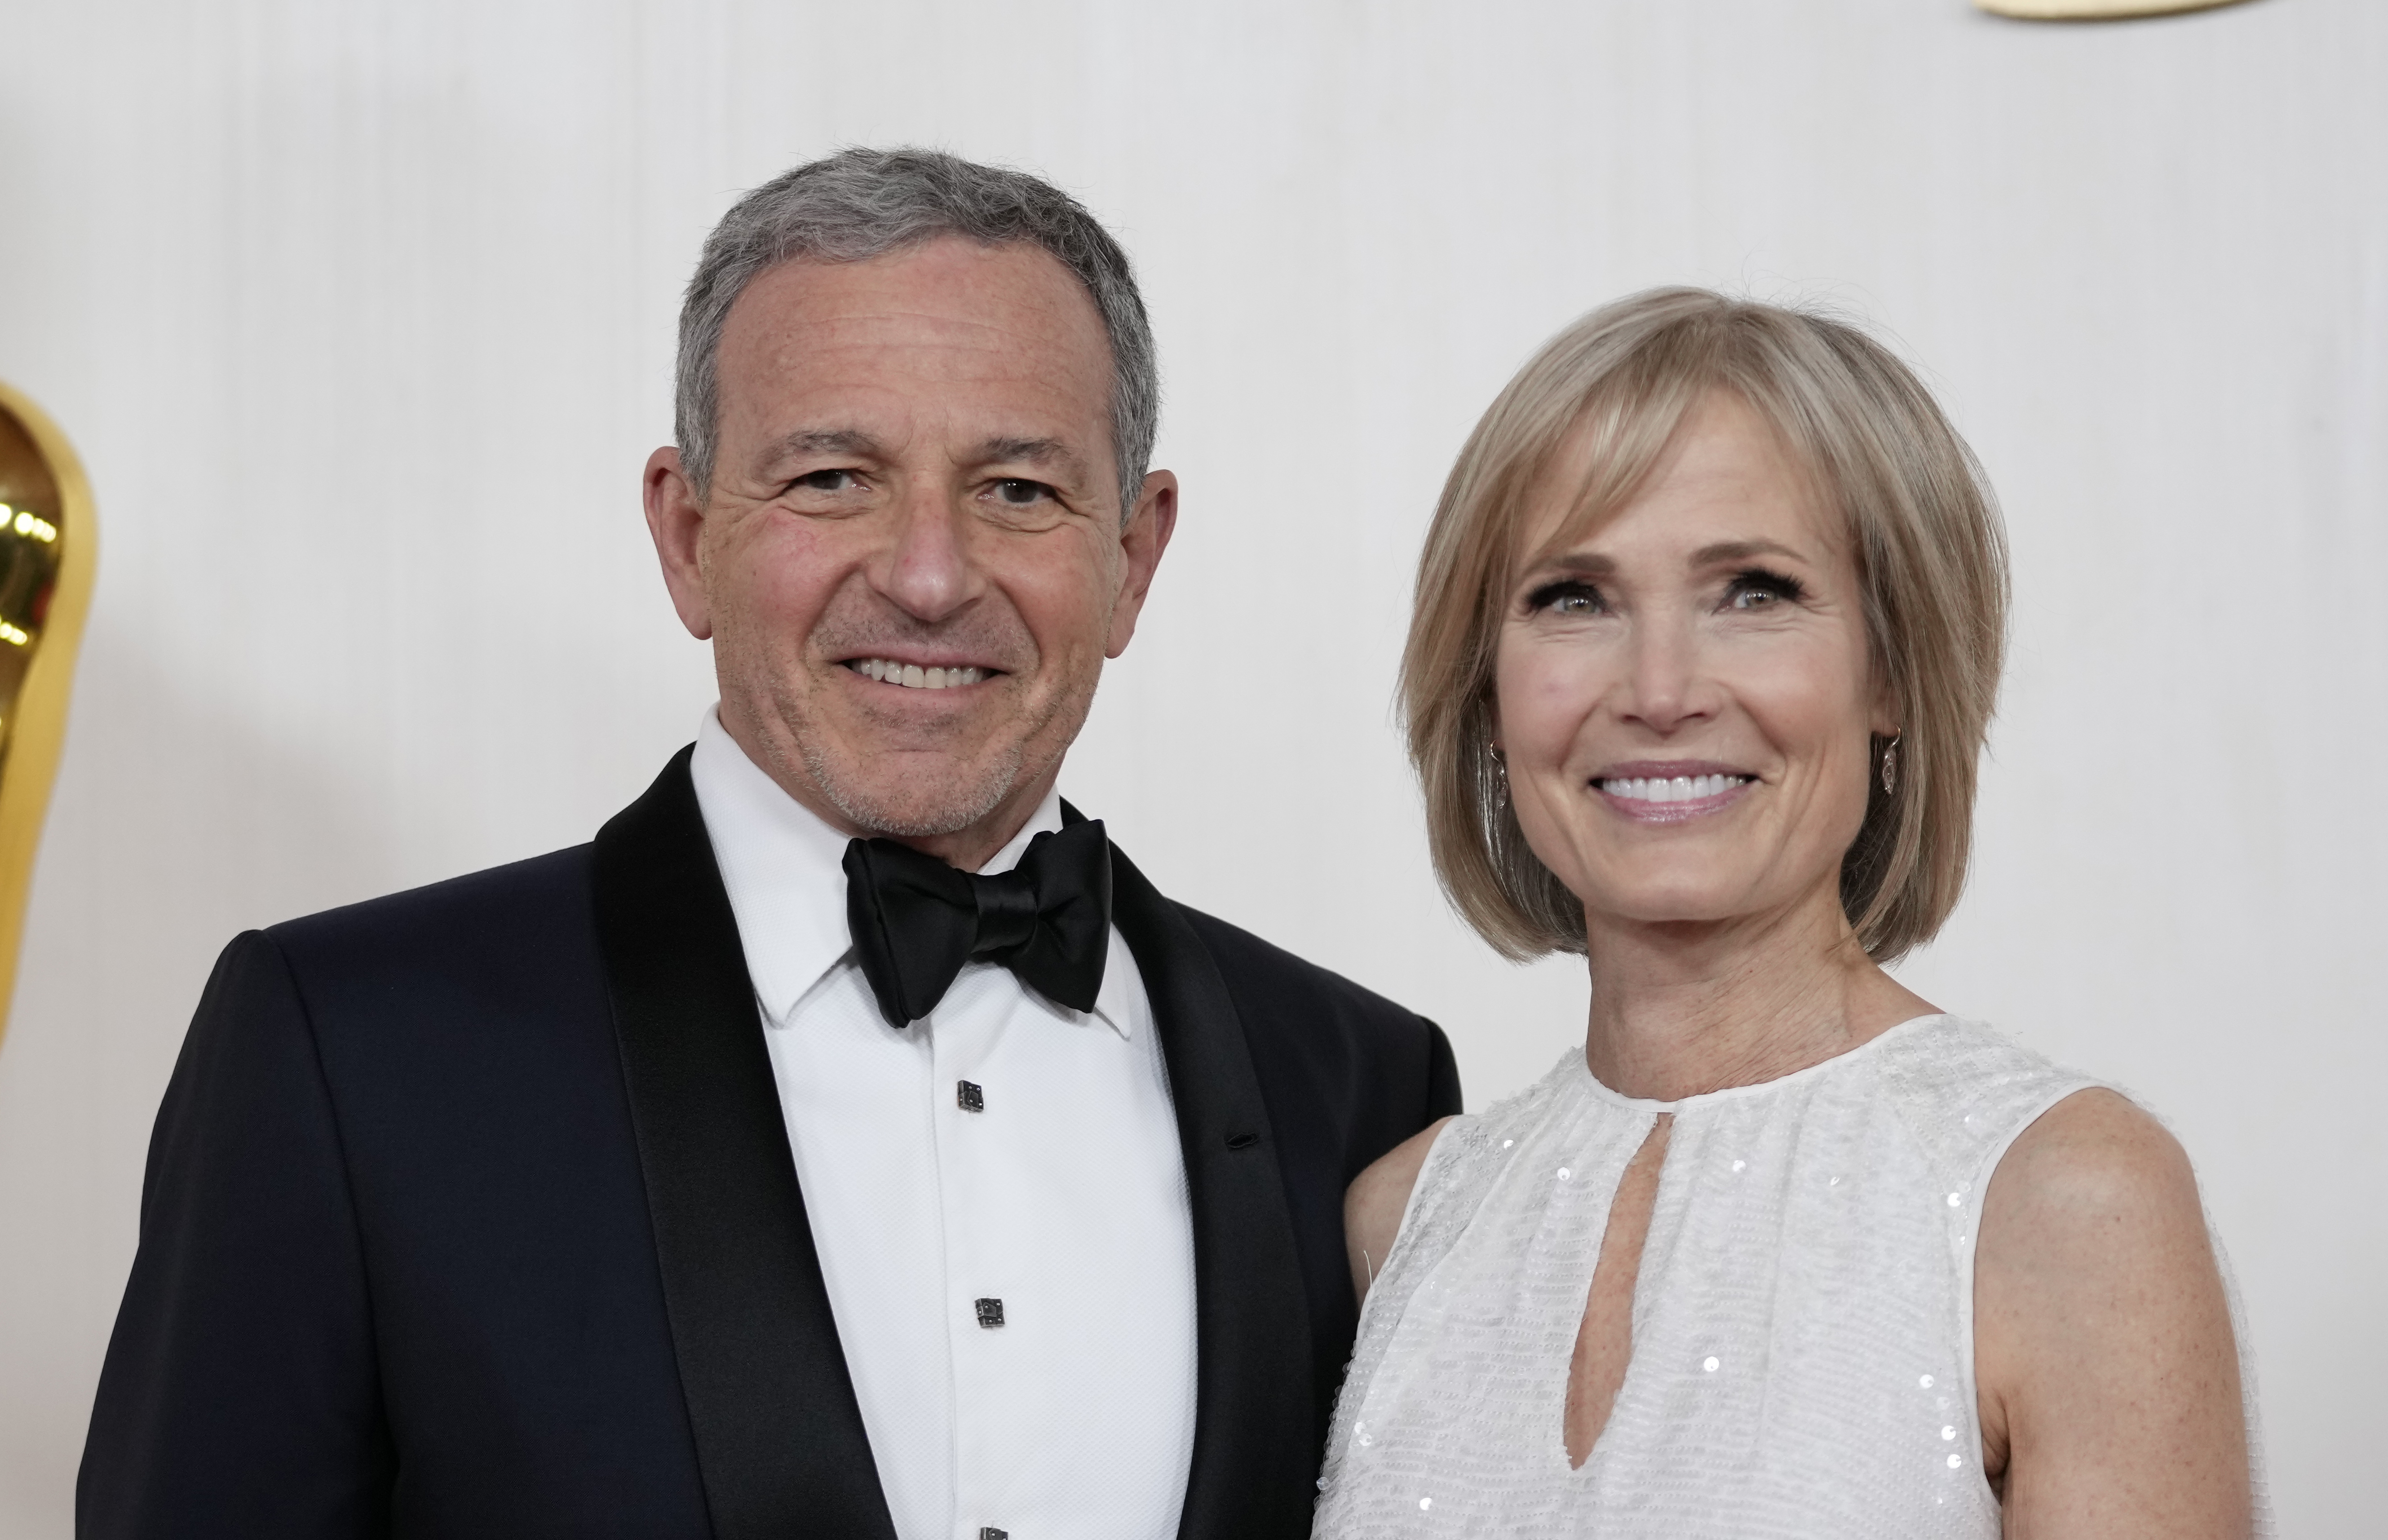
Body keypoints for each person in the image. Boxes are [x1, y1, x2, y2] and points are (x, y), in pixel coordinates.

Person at [78, 147, 1458, 1540]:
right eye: (832, 478)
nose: (928, 576)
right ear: (687, 537)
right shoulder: (349, 1053)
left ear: (1133, 557)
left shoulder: (1362, 1092)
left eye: (1018, 491)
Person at [1316, 289, 2268, 1538]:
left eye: (1754, 592)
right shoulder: (1399, 1221)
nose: (1660, 690)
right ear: (1487, 690)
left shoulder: (2065, 1202)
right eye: (1574, 597)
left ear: (1891, 671)